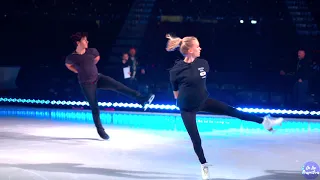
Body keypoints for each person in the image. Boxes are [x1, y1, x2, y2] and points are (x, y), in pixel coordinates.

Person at [165, 34, 283, 180]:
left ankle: (265, 122)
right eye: (197, 46)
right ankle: (204, 165)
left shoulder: (203, 64)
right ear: (190, 50)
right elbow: (175, 93)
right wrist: (184, 101)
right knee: (196, 139)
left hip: (203, 101)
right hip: (186, 108)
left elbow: (198, 84)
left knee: (232, 111)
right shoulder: (175, 70)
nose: (200, 48)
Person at [65, 32, 155, 140]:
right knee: (94, 106)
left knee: (118, 86)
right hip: (86, 84)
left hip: (98, 78)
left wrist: (89, 67)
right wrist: (78, 71)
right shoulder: (72, 57)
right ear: (78, 43)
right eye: (84, 40)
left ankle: (142, 99)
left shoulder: (91, 51)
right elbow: (68, 65)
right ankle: (100, 130)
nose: (87, 41)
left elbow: (97, 58)